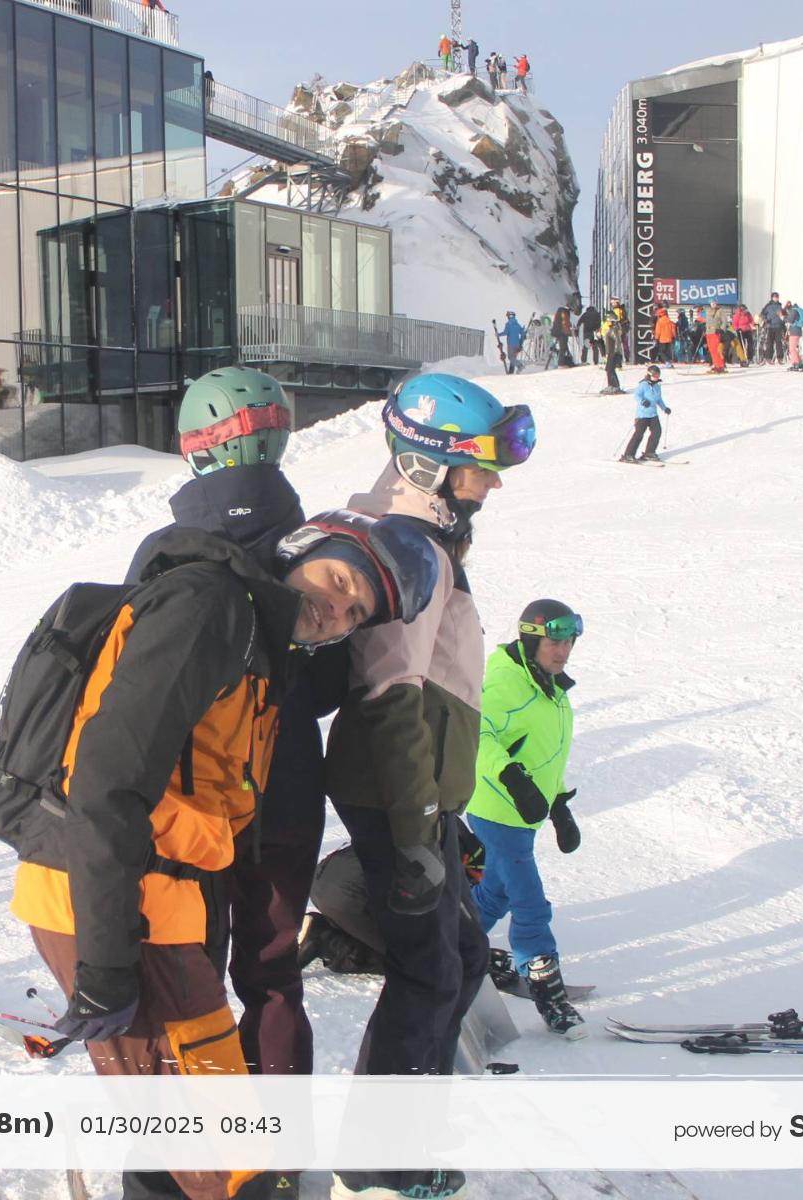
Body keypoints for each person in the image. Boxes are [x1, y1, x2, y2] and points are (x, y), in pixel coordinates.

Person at [13, 486, 437, 1200]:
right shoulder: (209, 608)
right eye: (340, 580)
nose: (338, 610)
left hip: (159, 905)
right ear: (301, 551)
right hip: (116, 906)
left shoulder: (257, 641)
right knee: (222, 1154)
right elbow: (107, 784)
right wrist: (107, 963)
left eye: (356, 612)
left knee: (191, 1143)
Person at [122, 369, 360, 1191]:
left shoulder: (166, 554)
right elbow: (331, 688)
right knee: (272, 978)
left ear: (196, 451)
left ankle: (178, 1168)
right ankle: (277, 1165)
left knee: (182, 981)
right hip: (285, 795)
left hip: (188, 807)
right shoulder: (317, 549)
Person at [324, 374, 535, 1200]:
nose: (494, 483)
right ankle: (378, 1170)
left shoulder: (429, 537)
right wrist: (416, 829)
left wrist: (441, 811)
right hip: (392, 789)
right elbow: (389, 694)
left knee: (462, 957)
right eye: (482, 466)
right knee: (431, 971)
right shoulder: (410, 545)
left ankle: (401, 1146)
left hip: (418, 790)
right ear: (428, 464)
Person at [467, 599, 585, 1037]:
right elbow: (478, 732)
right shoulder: (505, 682)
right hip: (496, 807)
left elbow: (542, 752)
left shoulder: (548, 685)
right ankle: (549, 997)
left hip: (524, 812)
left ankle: (450, 945)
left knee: (496, 893)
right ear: (532, 640)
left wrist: (559, 804)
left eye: (569, 642)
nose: (563, 651)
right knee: (530, 902)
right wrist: (512, 778)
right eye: (555, 642)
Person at [619, 364, 672, 462]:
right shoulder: (643, 385)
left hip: (653, 414)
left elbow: (659, 399)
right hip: (642, 415)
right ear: (649, 374)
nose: (656, 377)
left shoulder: (657, 386)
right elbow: (637, 395)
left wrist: (665, 408)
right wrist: (643, 401)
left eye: (658, 375)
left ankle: (649, 452)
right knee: (638, 435)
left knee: (657, 432)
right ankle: (628, 455)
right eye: (654, 375)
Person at [598, 308, 624, 394]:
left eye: (608, 320)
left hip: (613, 353)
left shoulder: (614, 330)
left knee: (610, 369)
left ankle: (615, 386)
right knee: (609, 369)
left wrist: (615, 352)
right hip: (611, 352)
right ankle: (611, 385)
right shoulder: (612, 329)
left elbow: (617, 341)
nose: (607, 322)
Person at [758, 293, 785, 364]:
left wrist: (783, 323)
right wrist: (765, 319)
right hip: (770, 326)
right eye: (775, 297)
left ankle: (780, 358)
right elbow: (762, 314)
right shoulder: (768, 306)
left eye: (777, 297)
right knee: (769, 343)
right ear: (772, 298)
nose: (776, 298)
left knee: (779, 343)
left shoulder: (780, 306)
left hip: (778, 326)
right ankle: (768, 357)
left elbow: (783, 315)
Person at [784, 299, 803, 371]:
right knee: (795, 348)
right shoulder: (798, 310)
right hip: (798, 331)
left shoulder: (793, 311)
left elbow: (789, 320)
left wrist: (784, 318)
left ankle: (795, 364)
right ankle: (800, 363)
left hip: (794, 332)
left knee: (792, 349)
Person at [704, 303, 728, 372]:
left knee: (716, 349)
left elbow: (724, 321)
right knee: (711, 350)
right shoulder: (708, 311)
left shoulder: (720, 311)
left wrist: (721, 329)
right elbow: (707, 322)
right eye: (712, 303)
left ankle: (720, 365)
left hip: (716, 332)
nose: (713, 305)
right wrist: (705, 328)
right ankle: (716, 364)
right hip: (709, 332)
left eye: (714, 303)